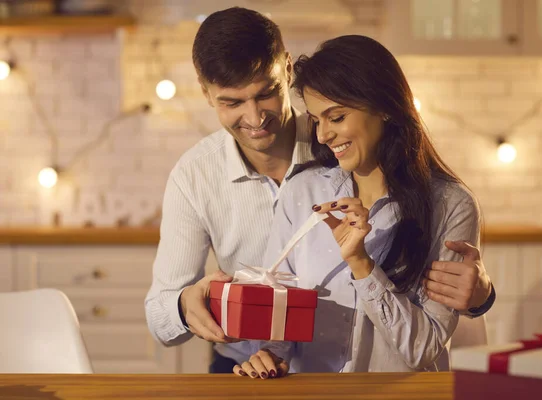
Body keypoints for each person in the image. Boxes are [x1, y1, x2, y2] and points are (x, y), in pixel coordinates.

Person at [144, 7, 495, 374]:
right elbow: (161, 316)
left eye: (266, 94)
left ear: (287, 69)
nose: (254, 118)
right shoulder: (198, 176)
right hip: (253, 363)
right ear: (206, 94)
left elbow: (429, 331)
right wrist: (187, 305)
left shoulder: (346, 153)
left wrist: (482, 297)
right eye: (232, 102)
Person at [233, 34, 487, 378]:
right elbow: (281, 304)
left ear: (383, 107)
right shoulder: (302, 190)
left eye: (336, 118)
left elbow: (421, 349)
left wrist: (361, 264)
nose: (323, 136)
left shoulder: (450, 205)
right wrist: (267, 353)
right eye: (317, 120)